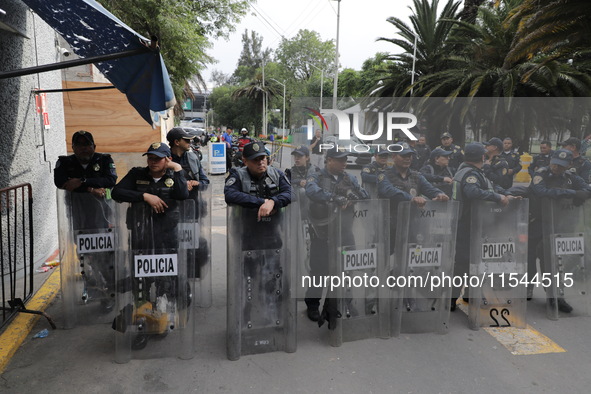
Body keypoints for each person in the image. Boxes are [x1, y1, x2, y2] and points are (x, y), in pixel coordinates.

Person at [305, 145, 369, 328]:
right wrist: (334, 197)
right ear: (329, 160)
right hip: (323, 233)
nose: (344, 163)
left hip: (345, 232)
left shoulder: (349, 177)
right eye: (340, 159)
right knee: (319, 271)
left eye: (345, 160)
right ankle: (313, 305)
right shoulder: (317, 176)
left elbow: (364, 194)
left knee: (346, 271)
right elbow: (311, 190)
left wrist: (353, 196)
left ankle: (344, 302)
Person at [54, 130, 118, 308]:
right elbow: (61, 183)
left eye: (87, 144)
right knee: (84, 256)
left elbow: (111, 180)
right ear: (73, 147)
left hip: (102, 217)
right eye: (79, 145)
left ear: (94, 146)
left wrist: (81, 182)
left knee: (105, 256)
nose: (84, 148)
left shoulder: (104, 160)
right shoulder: (65, 162)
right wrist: (90, 188)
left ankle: (109, 292)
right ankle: (93, 287)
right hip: (78, 217)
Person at [451, 143, 516, 310]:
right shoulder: (470, 174)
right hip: (468, 224)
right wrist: (498, 197)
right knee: (465, 263)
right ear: (482, 157)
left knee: (472, 262)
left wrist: (505, 194)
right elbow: (473, 192)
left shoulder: (470, 171)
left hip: (474, 224)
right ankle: (454, 299)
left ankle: (468, 295)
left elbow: (489, 186)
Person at [528, 149, 591, 311]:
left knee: (554, 263)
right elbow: (541, 192)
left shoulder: (571, 177)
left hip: (559, 226)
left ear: (569, 164)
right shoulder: (541, 174)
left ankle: (555, 296)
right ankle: (527, 288)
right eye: (555, 164)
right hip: (536, 223)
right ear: (551, 161)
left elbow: (586, 190)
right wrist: (570, 193)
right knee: (529, 257)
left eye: (561, 166)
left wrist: (578, 196)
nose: (557, 168)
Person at [378, 143, 449, 253]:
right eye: (404, 156)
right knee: (386, 258)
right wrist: (412, 198)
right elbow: (389, 191)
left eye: (410, 156)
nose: (407, 159)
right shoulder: (384, 175)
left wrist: (439, 194)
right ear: (394, 156)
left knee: (412, 256)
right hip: (390, 226)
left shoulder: (416, 176)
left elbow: (429, 189)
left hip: (412, 225)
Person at [224, 141, 292, 247]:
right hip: (246, 231)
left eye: (263, 158)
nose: (260, 162)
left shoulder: (277, 174)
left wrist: (273, 202)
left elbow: (290, 193)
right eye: (255, 160)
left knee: (275, 261)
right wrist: (262, 202)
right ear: (245, 161)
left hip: (274, 230)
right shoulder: (237, 175)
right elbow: (230, 194)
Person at [167, 127, 210, 278]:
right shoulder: (164, 159)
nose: (190, 142)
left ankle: (189, 276)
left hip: (192, 211)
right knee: (172, 245)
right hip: (170, 212)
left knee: (194, 246)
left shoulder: (193, 158)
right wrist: (180, 184)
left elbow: (205, 181)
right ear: (176, 142)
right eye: (186, 140)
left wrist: (194, 182)